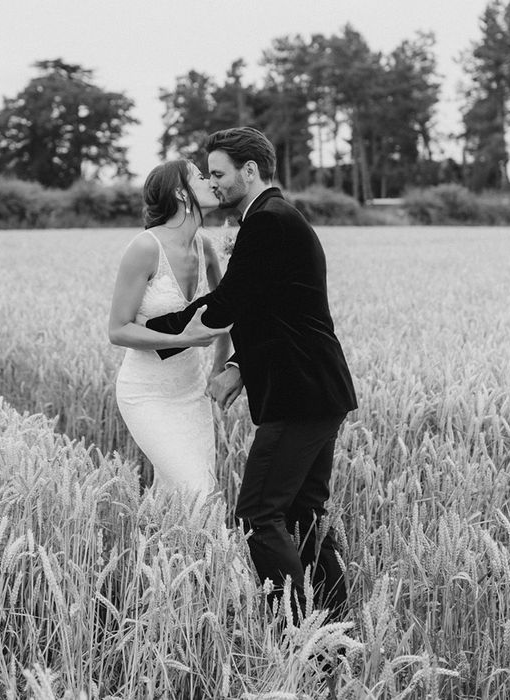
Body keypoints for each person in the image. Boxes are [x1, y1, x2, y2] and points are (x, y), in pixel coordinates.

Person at [145, 127, 358, 622]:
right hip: (317, 390)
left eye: (218, 174)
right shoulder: (272, 218)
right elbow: (269, 311)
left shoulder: (268, 222)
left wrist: (149, 331)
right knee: (306, 517)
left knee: (258, 516)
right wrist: (239, 366)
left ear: (250, 170)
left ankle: (298, 639)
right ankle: (332, 636)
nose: (213, 184)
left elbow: (226, 306)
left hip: (299, 393)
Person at [109, 159, 231, 499]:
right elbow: (118, 330)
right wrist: (181, 338)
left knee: (185, 494)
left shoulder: (204, 246)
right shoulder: (146, 247)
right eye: (201, 176)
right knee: (194, 491)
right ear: (181, 191)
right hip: (146, 394)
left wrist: (221, 368)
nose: (211, 181)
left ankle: (154, 550)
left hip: (192, 393)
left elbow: (226, 311)